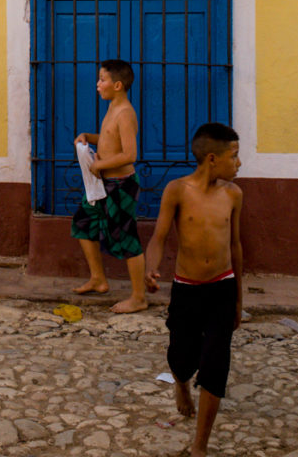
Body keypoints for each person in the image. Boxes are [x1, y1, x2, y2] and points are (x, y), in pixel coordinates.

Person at [144, 122, 244, 457]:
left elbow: (236, 246)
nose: (239, 163)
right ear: (212, 158)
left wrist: (238, 299)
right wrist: (151, 267)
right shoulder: (177, 190)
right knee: (181, 355)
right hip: (187, 289)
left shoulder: (233, 195)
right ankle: (181, 384)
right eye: (235, 156)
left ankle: (200, 445)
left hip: (223, 287)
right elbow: (159, 237)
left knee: (216, 365)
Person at [71, 59, 148, 313]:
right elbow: (107, 140)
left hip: (120, 186)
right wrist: (87, 137)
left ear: (117, 85)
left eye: (102, 80)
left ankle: (138, 297)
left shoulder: (125, 112)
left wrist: (101, 166)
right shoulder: (112, 107)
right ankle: (98, 279)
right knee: (83, 223)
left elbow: (130, 154)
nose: (97, 84)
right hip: (101, 184)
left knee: (127, 239)